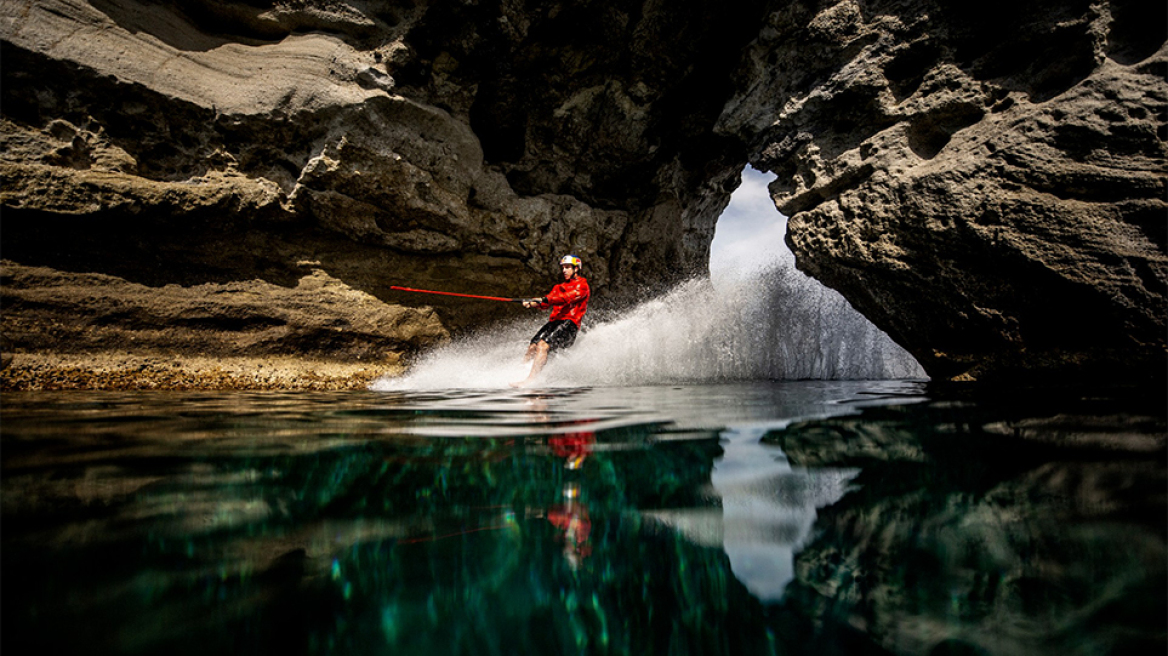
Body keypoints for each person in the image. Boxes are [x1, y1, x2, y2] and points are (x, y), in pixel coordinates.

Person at [510, 255, 590, 387]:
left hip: (570, 324)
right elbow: (547, 302)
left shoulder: (582, 286)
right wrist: (533, 303)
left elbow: (566, 298)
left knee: (543, 345)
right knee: (533, 346)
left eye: (568, 267)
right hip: (555, 323)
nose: (564, 270)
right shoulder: (558, 287)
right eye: (563, 268)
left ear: (576, 269)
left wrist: (543, 299)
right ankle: (519, 371)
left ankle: (531, 380)